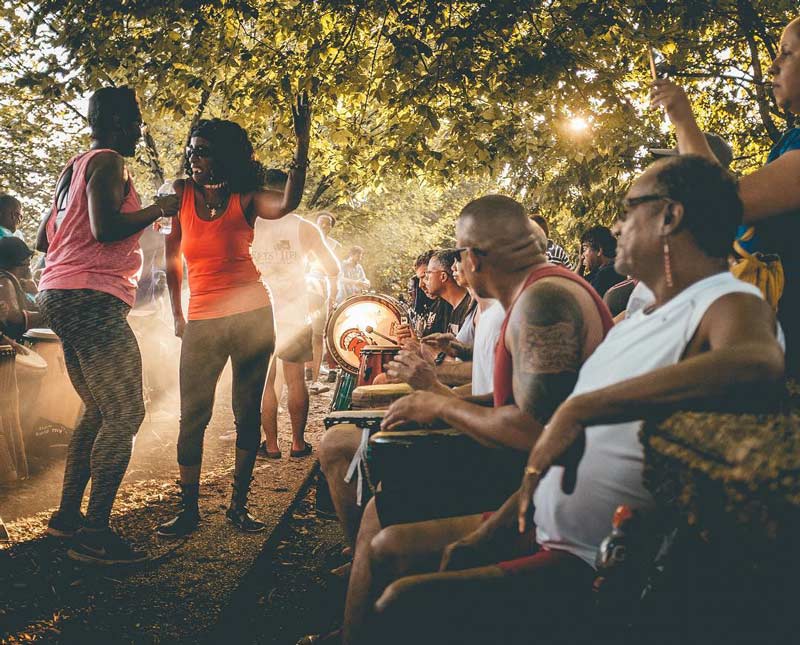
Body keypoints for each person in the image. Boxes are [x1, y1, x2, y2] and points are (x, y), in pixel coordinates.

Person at [340, 156, 785, 645]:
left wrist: (580, 408)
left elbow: (756, 362)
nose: (616, 225)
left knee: (401, 603)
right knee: (391, 555)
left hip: (598, 561)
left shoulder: (728, 300)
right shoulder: (638, 320)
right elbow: (556, 443)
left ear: (671, 217)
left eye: (629, 208)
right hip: (537, 521)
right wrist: (497, 527)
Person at [35, 86, 180, 564]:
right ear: (119, 123)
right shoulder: (111, 161)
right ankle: (95, 534)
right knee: (125, 412)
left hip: (58, 292)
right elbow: (103, 229)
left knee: (97, 409)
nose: (141, 130)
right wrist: (159, 208)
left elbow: (43, 237)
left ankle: (65, 520)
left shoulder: (72, 166)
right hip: (90, 295)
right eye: (137, 121)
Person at [157, 94, 311, 539]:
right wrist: (177, 317)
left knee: (246, 412)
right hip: (202, 318)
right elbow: (172, 262)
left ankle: (238, 508)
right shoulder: (180, 195)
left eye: (202, 149)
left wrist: (300, 150)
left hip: (252, 318)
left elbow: (287, 204)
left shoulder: (245, 197)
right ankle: (189, 511)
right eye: (192, 148)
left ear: (222, 155)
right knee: (194, 415)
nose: (194, 156)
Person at [650, 16, 800, 376]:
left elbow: (725, 201)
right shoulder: (788, 142)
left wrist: (684, 120)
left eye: (788, 53)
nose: (773, 64)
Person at [251, 171, 340, 459]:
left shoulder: (249, 224)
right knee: (295, 379)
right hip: (294, 312)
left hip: (258, 311)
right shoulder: (304, 228)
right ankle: (299, 444)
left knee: (266, 381)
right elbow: (333, 268)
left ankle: (272, 445)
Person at [307, 211, 342, 389]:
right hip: (303, 287)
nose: (323, 225)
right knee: (300, 331)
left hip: (323, 288)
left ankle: (315, 381)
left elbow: (335, 274)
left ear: (330, 227)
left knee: (318, 334)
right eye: (320, 222)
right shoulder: (304, 240)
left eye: (327, 223)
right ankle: (304, 369)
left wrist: (332, 297)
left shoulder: (334, 246)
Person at [0, 236, 42, 339]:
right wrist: (49, 316)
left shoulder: (13, 281)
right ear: (25, 261)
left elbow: (29, 307)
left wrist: (36, 292)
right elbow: (14, 318)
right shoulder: (5, 281)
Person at [579, 225, 626, 297]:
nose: (582, 256)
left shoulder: (604, 275)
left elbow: (574, 294)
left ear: (599, 250)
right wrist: (581, 265)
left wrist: (580, 265)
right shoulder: (615, 268)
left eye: (585, 249)